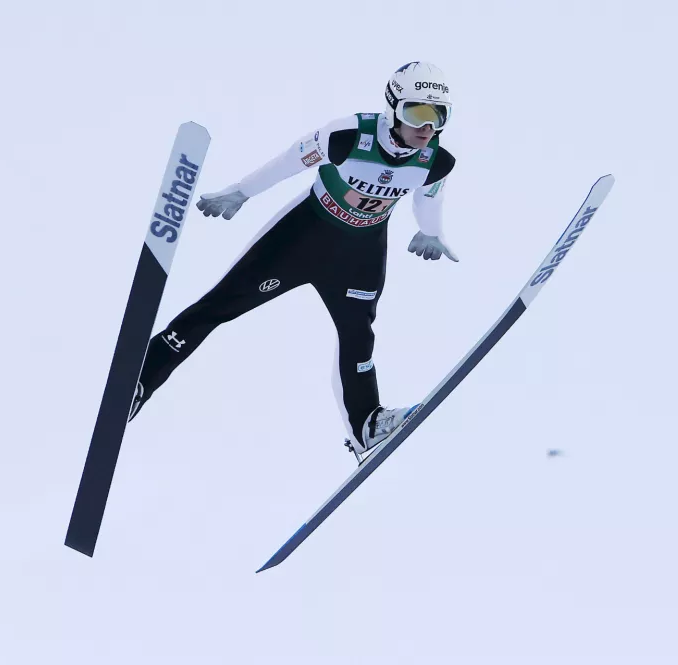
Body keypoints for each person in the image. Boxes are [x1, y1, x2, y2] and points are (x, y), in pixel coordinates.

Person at [129, 61, 458, 458]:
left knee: (359, 337)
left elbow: (429, 197)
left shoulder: (436, 160)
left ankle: (366, 425)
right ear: (393, 108)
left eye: (439, 116)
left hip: (361, 255)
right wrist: (242, 192)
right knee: (219, 306)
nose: (428, 127)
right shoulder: (348, 135)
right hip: (301, 240)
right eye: (418, 113)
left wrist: (430, 231)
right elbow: (289, 161)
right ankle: (140, 379)